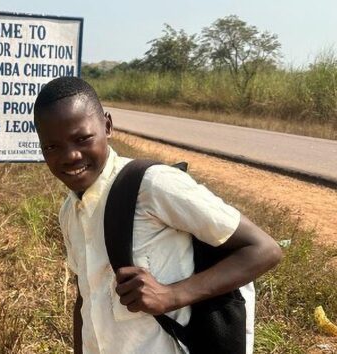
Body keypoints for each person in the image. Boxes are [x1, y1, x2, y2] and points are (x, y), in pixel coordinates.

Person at [33, 76, 282, 354]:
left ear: (107, 125)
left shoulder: (152, 185)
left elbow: (264, 249)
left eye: (82, 138)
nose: (70, 156)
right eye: (52, 147)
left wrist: (172, 295)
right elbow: (86, 294)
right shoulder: (70, 211)